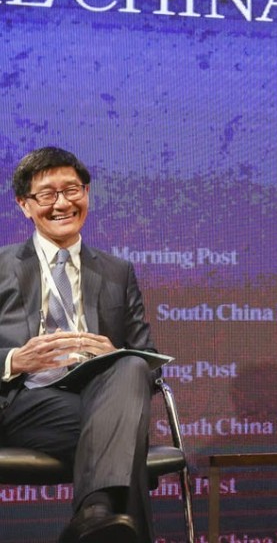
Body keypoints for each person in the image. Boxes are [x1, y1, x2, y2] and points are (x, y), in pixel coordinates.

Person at [0, 147, 157, 543]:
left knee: (132, 367)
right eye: (48, 194)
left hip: (98, 397)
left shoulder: (117, 271)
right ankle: (98, 517)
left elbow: (149, 361)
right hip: (21, 400)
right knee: (126, 441)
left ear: (86, 194)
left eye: (72, 190)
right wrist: (15, 359)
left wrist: (114, 355)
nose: (63, 203)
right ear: (24, 204)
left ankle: (93, 517)